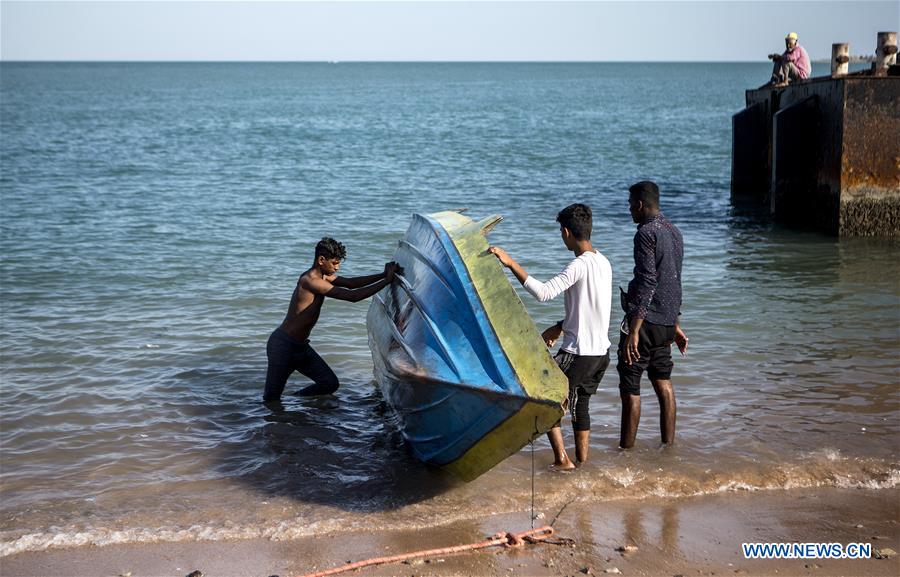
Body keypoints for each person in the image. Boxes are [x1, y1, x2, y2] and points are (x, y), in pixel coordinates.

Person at [488, 204, 612, 471]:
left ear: (566, 232)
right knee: (580, 405)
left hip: (578, 353)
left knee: (544, 399)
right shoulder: (604, 261)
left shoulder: (578, 265)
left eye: (560, 231)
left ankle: (562, 461)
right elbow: (590, 309)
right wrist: (560, 326)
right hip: (601, 353)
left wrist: (510, 263)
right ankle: (582, 463)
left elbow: (544, 293)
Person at [263, 237, 402, 403]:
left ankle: (294, 403)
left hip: (300, 347)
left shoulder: (323, 277)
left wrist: (382, 275)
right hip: (283, 346)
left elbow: (351, 284)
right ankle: (272, 420)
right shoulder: (310, 281)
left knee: (329, 383)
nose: (337, 267)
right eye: (334, 263)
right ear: (321, 260)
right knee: (271, 399)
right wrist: (387, 281)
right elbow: (353, 296)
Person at [618, 181, 688, 449]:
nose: (629, 210)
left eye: (630, 204)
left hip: (644, 322)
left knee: (630, 384)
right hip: (667, 322)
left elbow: (648, 281)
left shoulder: (646, 233)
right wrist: (675, 323)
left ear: (639, 204)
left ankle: (626, 451)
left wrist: (634, 330)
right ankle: (668, 447)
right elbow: (674, 281)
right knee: (663, 381)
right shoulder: (675, 232)